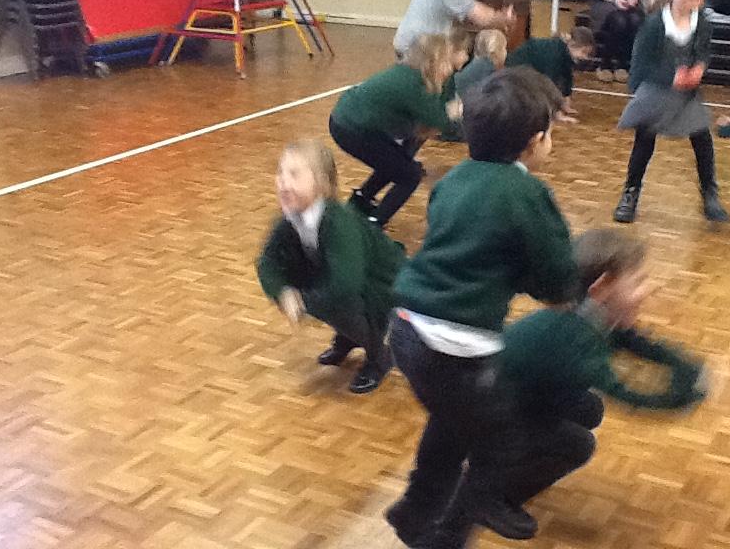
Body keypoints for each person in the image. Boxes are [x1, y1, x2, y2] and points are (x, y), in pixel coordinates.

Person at [384, 68, 579, 548]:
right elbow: (556, 279)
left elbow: (466, 250)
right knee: (502, 442)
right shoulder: (529, 194)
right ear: (534, 142)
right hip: (457, 347)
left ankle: (415, 509)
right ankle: (449, 534)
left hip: (406, 330)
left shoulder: (453, 180)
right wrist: (560, 289)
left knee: (452, 421)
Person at [425, 228, 705, 547]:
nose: (648, 288)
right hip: (483, 414)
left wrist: (686, 365)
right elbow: (629, 394)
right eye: (638, 281)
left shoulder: (591, 312)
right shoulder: (573, 342)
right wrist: (689, 394)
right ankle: (483, 503)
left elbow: (639, 343)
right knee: (577, 445)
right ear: (602, 288)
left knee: (589, 410)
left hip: (505, 393)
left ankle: (494, 479)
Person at [255, 141, 405, 393]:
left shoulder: (338, 222)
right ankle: (349, 336)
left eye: (294, 174)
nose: (283, 182)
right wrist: (283, 292)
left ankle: (379, 355)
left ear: (322, 184)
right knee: (314, 285)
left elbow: (346, 284)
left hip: (386, 286)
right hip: (355, 285)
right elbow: (267, 262)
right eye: (280, 173)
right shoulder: (290, 219)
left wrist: (302, 301)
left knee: (338, 299)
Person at [613, 0, 730, 225]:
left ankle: (710, 195)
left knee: (702, 138)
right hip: (655, 93)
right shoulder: (654, 25)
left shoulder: (702, 23)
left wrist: (699, 67)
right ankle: (630, 193)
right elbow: (641, 66)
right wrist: (667, 79)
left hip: (686, 95)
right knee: (644, 141)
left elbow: (703, 52)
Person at [329, 34, 462, 227]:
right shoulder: (414, 84)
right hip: (351, 127)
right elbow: (442, 122)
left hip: (348, 120)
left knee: (398, 161)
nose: (449, 67)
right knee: (410, 176)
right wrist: (453, 111)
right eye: (446, 61)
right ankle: (375, 224)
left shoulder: (410, 74)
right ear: (432, 63)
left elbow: (430, 117)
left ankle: (361, 199)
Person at [504, 27, 596, 116]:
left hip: (527, 70)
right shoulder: (555, 53)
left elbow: (567, 77)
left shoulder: (566, 53)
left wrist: (565, 104)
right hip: (516, 70)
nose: (585, 57)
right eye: (583, 52)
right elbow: (550, 84)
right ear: (573, 44)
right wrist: (557, 113)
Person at [455, 29, 507, 101]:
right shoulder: (495, 76)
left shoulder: (465, 72)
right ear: (494, 52)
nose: (506, 52)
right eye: (504, 48)